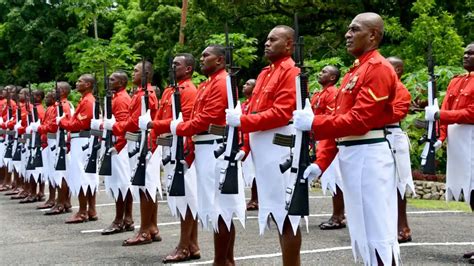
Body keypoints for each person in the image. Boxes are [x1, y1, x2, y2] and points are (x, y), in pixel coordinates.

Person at [293, 13, 400, 265]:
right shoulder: (357, 70)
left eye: (355, 29)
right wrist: (321, 162)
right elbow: (340, 125)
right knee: (362, 230)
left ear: (373, 35)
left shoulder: (378, 69)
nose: (347, 34)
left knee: (378, 232)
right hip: (353, 154)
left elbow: (359, 120)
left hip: (369, 154)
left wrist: (314, 123)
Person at [226, 25, 303, 265]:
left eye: (273, 40)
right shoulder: (265, 73)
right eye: (266, 39)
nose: (266, 43)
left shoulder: (292, 72)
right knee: (276, 212)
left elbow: (281, 113)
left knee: (287, 215)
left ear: (289, 44)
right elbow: (259, 109)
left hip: (279, 145)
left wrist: (243, 121)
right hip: (263, 147)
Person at [170, 45, 245, 265]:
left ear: (220, 60)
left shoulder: (222, 82)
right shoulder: (209, 83)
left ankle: (222, 261)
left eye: (206, 55)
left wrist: (179, 128)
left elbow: (208, 118)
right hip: (204, 147)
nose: (202, 59)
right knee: (216, 208)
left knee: (221, 208)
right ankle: (224, 260)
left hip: (215, 148)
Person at [139, 53, 200, 262]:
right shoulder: (169, 90)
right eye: (171, 63)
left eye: (177, 64)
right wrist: (153, 137)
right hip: (169, 145)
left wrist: (153, 125)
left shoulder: (189, 90)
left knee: (187, 197)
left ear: (189, 69)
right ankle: (192, 244)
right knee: (181, 197)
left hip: (181, 146)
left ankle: (185, 245)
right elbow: (162, 118)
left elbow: (186, 120)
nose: (172, 67)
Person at [425, 42, 474, 264]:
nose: (466, 55)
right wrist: (440, 137)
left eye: (472, 53)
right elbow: (445, 109)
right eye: (465, 52)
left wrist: (440, 115)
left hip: (471, 139)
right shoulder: (457, 80)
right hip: (459, 142)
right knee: (471, 195)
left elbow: (470, 113)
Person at [104, 61, 160, 245]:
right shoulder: (140, 93)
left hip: (142, 142)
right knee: (145, 187)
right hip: (138, 141)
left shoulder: (145, 94)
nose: (133, 73)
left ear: (146, 74)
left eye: (136, 71)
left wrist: (115, 126)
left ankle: (145, 231)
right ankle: (151, 227)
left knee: (145, 187)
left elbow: (134, 122)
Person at [94, 71, 135, 235]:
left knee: (122, 184)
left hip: (119, 145)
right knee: (119, 184)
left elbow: (123, 124)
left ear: (121, 82)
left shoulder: (122, 99)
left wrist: (118, 145)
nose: (108, 81)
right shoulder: (115, 97)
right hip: (115, 144)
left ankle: (121, 219)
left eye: (112, 79)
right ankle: (125, 218)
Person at [58, 74, 98, 223]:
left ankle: (83, 211)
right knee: (87, 175)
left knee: (82, 176)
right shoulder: (85, 100)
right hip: (81, 140)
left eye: (80, 81)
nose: (77, 83)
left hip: (82, 139)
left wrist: (63, 122)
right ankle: (91, 209)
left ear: (88, 84)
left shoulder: (88, 101)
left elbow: (79, 124)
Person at [311, 65, 345, 230]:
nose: (320, 73)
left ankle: (338, 216)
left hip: (328, 138)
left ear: (332, 77)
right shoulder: (320, 93)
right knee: (331, 178)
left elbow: (331, 117)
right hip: (319, 137)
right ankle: (337, 214)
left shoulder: (332, 92)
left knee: (335, 178)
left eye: (324, 71)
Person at [387, 56, 415, 243]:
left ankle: (402, 227)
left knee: (398, 183)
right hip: (380, 135)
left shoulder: (400, 90)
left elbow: (397, 113)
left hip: (393, 136)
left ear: (397, 70)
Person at [41, 82, 73, 215]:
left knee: (61, 173)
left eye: (57, 89)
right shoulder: (57, 106)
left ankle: (61, 202)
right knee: (58, 173)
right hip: (54, 140)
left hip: (59, 140)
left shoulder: (63, 106)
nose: (54, 91)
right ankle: (63, 201)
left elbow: (54, 126)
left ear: (64, 91)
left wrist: (40, 128)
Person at [21, 89, 46, 204]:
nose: (32, 97)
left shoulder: (39, 109)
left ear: (40, 97)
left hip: (36, 140)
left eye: (35, 95)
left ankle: (36, 192)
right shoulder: (32, 109)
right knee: (33, 167)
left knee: (35, 168)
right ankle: (35, 192)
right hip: (32, 139)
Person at [36, 91, 57, 209]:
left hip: (53, 141)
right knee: (49, 172)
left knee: (57, 173)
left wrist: (39, 128)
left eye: (48, 97)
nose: (46, 99)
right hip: (47, 141)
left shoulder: (56, 108)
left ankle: (59, 200)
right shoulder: (50, 108)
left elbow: (52, 126)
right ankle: (52, 198)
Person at [240, 78, 259, 211]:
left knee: (255, 171)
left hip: (254, 138)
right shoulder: (244, 104)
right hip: (245, 139)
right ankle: (254, 198)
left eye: (248, 84)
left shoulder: (255, 104)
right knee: (250, 171)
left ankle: (256, 199)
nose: (244, 85)